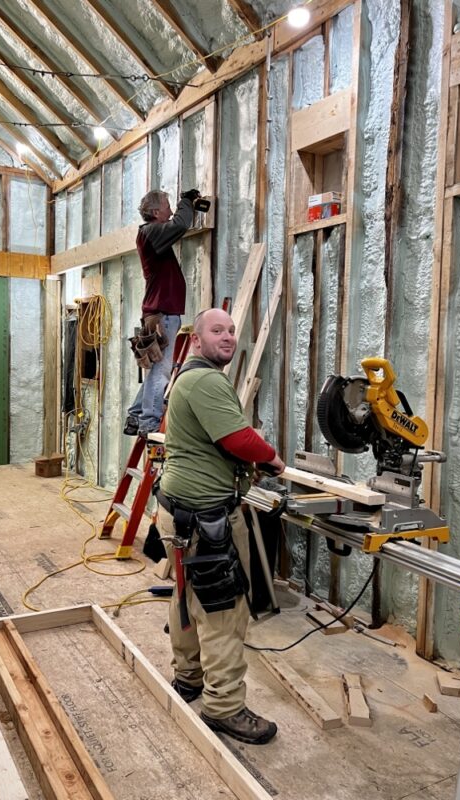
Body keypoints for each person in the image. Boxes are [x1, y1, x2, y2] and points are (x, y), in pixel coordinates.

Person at [155, 308, 285, 745]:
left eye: (232, 331)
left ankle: (189, 677)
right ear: (196, 340)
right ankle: (224, 706)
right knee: (224, 611)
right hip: (206, 520)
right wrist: (272, 458)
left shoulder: (185, 379)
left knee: (186, 597)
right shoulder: (208, 381)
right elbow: (238, 439)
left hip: (177, 512)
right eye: (217, 331)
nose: (228, 337)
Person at [125, 188, 202, 437]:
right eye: (167, 207)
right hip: (162, 313)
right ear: (156, 212)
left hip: (160, 312)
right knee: (161, 370)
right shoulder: (151, 231)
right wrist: (186, 202)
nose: (170, 212)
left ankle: (136, 415)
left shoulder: (151, 234)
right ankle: (149, 422)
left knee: (157, 369)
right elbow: (179, 225)